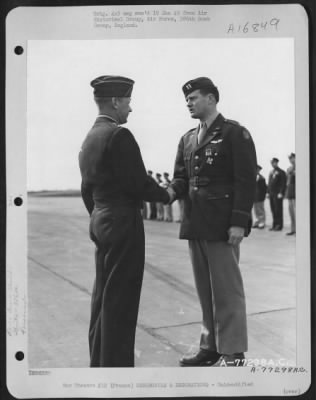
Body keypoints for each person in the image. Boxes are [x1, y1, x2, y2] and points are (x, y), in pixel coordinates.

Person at [79, 75, 170, 367]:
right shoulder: (119, 135)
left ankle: (100, 362)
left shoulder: (90, 137)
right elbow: (139, 184)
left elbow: (86, 188)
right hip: (122, 223)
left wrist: (98, 216)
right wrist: (168, 194)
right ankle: (116, 370)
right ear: (116, 101)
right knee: (121, 301)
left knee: (102, 297)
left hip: (101, 220)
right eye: (128, 102)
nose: (130, 109)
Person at [167, 77, 257, 367]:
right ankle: (211, 347)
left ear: (211, 98)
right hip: (196, 224)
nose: (188, 103)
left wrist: (238, 223)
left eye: (193, 97)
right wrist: (164, 193)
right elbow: (181, 179)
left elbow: (245, 181)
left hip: (222, 225)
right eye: (187, 99)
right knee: (205, 291)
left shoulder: (234, 133)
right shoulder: (187, 139)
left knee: (227, 291)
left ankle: (233, 351)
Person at [268, 158, 286, 231]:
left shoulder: (281, 172)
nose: (273, 164)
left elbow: (283, 183)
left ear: (277, 163)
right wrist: (268, 192)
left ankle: (279, 225)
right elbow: (269, 184)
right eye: (272, 163)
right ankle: (274, 224)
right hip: (272, 194)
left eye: (274, 162)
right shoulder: (271, 172)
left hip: (278, 194)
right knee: (273, 210)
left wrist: (281, 192)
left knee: (278, 210)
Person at [285, 153, 296, 235]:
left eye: (292, 158)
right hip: (290, 192)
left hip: (297, 193)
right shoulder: (289, 169)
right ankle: (293, 230)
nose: (291, 160)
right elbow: (287, 182)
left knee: (297, 212)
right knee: (291, 213)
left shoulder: (302, 166)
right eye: (290, 158)